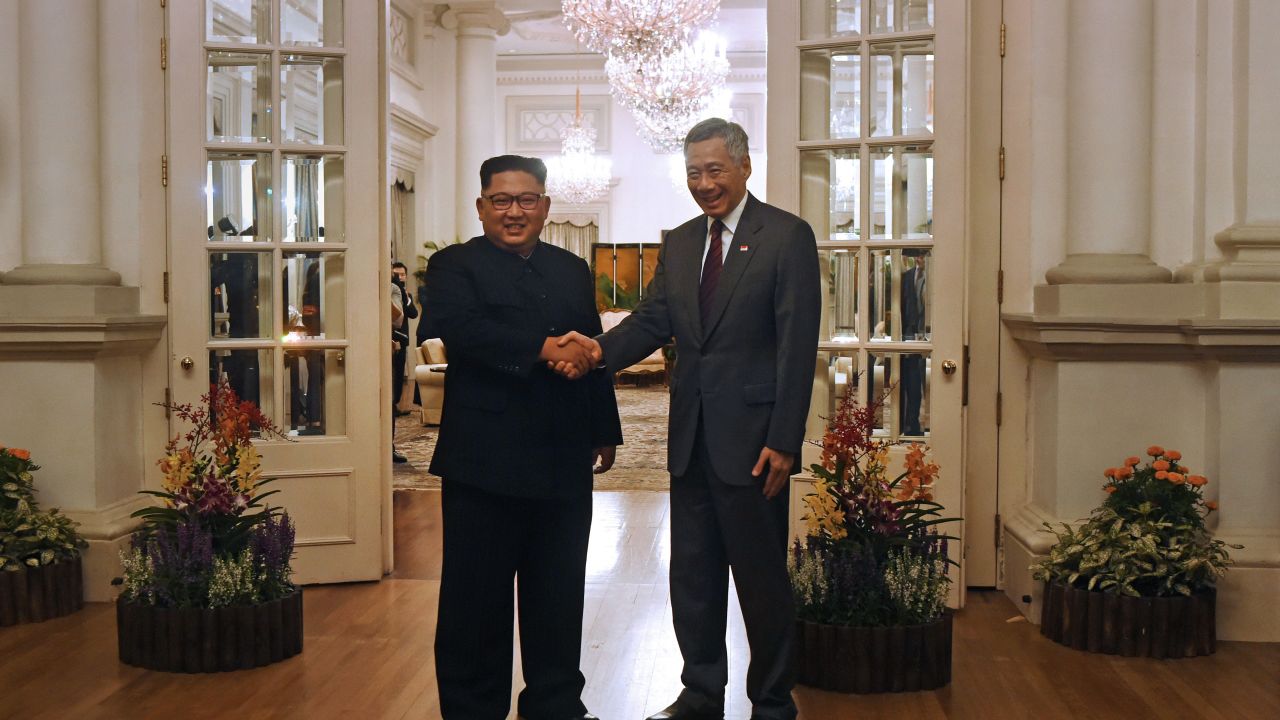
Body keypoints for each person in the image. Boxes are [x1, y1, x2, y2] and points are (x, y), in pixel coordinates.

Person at [554, 118, 820, 720]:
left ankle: (773, 701)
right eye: (695, 172)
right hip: (691, 441)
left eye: (716, 170)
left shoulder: (785, 236)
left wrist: (784, 439)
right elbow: (652, 321)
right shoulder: (677, 242)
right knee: (692, 580)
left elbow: (797, 348)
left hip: (755, 445)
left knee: (761, 582)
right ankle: (701, 694)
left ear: (745, 166)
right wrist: (596, 351)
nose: (705, 183)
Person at [425, 154, 622, 720]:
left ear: (546, 206)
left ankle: (557, 705)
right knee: (475, 603)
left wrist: (603, 429)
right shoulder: (453, 266)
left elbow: (590, 351)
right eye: (502, 201)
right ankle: (471, 710)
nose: (515, 212)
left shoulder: (571, 268)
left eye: (527, 200)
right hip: (482, 462)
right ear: (482, 207)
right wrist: (543, 348)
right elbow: (461, 330)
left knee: (558, 596)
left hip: (563, 456)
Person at [391, 261, 416, 417]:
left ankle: (396, 403)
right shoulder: (390, 290)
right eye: (397, 274)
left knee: (399, 372)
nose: (400, 277)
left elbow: (413, 313)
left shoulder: (407, 295)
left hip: (402, 337)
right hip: (390, 335)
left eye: (402, 274)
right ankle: (390, 403)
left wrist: (406, 298)